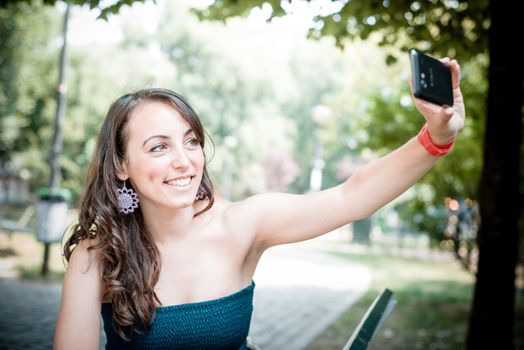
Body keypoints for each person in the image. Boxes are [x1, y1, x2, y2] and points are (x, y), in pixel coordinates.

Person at [53, 57, 465, 350]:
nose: (184, 160)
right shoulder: (97, 257)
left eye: (191, 141)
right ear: (122, 165)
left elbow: (350, 196)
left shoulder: (242, 224)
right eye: (159, 147)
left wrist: (437, 138)